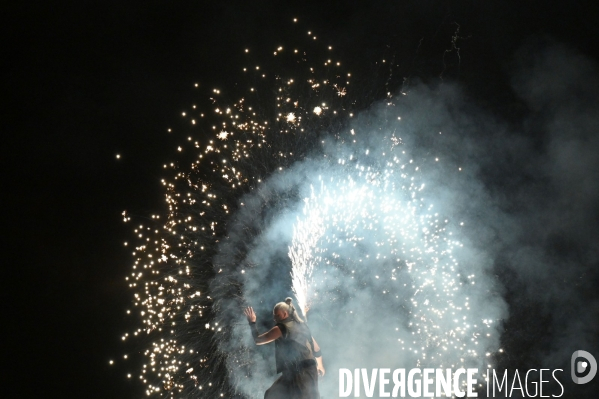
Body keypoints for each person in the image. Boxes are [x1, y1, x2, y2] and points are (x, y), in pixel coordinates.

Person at [244, 298, 325, 399]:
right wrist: (320, 366)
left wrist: (252, 323)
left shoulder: (281, 328)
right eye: (274, 316)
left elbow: (258, 340)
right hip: (294, 372)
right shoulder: (302, 326)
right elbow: (316, 349)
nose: (275, 319)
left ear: (285, 314)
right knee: (271, 394)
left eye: (277, 315)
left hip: (301, 372)